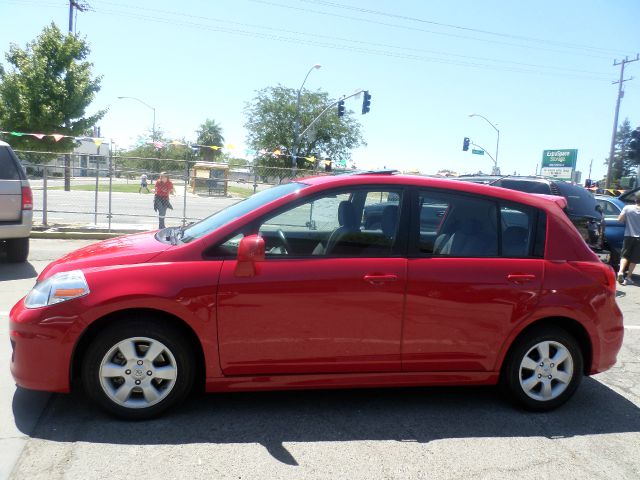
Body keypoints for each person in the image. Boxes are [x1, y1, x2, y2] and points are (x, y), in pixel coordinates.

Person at [617, 193, 640, 285]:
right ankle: (628, 277)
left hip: (628, 236)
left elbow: (620, 220)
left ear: (635, 200)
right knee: (634, 259)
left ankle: (621, 272)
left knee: (624, 256)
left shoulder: (627, 208)